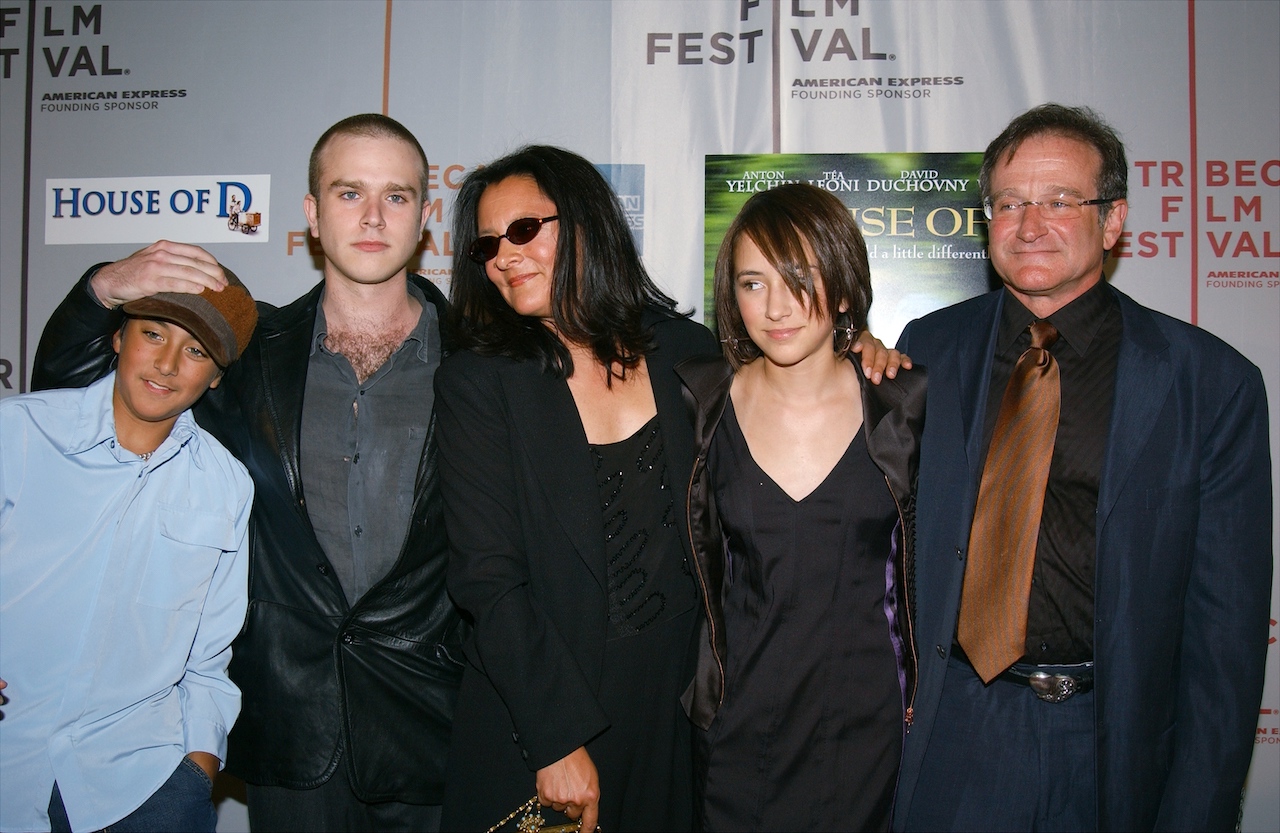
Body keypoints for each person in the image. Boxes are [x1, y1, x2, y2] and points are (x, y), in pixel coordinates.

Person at [437, 146, 906, 832]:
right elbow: (487, 579)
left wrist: (857, 342)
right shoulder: (478, 381)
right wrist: (556, 737)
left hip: (674, 713)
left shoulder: (685, 354)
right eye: (487, 244)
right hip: (539, 715)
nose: (504, 257)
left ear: (587, 224)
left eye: (524, 231)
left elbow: (788, 374)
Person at [31, 113, 465, 832]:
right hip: (290, 719)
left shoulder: (479, 359)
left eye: (395, 197)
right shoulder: (246, 349)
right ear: (312, 215)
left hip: (432, 725)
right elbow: (71, 391)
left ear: (423, 216)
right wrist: (106, 286)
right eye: (349, 192)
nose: (371, 216)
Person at [893, 103, 1272, 831]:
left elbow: (1225, 641)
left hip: (1107, 749)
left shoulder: (1209, 384)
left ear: (1114, 220)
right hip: (950, 733)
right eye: (1009, 203)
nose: (1029, 224)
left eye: (1060, 201)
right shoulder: (928, 349)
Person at [675, 183, 925, 832]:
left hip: (870, 726)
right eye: (752, 283)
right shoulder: (696, 407)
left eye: (799, 279)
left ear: (843, 288)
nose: (776, 307)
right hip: (737, 725)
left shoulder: (907, 405)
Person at [2, 275, 258, 832]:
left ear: (216, 377)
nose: (167, 364)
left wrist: (198, 767)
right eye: (153, 334)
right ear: (118, 338)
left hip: (145, 789)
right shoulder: (17, 432)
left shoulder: (226, 484)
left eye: (195, 351)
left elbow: (209, 653)